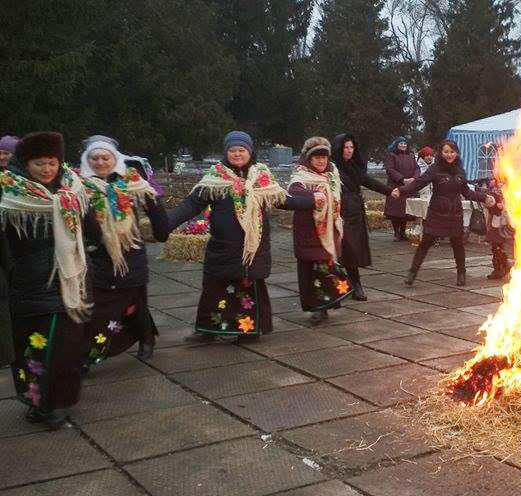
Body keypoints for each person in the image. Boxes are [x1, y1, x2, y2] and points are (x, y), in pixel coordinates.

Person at [162, 131, 316, 340]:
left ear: (249, 152)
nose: (237, 154)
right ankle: (208, 331)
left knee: (248, 288)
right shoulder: (215, 178)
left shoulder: (261, 178)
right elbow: (191, 205)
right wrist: (166, 223)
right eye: (232, 150)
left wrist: (313, 201)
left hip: (251, 249)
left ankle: (249, 329)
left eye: (241, 150)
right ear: (226, 153)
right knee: (214, 289)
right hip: (223, 246)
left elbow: (284, 200)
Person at [0, 132, 92, 428]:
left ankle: (52, 403)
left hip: (68, 285)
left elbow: (91, 226)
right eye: (39, 163)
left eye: (52, 162)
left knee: (64, 349)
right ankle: (40, 402)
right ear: (25, 163)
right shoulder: (9, 196)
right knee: (33, 348)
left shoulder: (72, 191)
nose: (47, 169)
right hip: (28, 285)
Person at [80, 135, 168, 366]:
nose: (100, 162)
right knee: (101, 306)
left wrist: (162, 230)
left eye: (105, 157)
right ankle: (91, 352)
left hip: (131, 252)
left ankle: (145, 338)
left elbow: (153, 203)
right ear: (87, 161)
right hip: (99, 255)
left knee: (135, 301)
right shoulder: (79, 187)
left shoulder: (132, 181)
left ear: (115, 158)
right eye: (95, 158)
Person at [393, 140, 494, 287]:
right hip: (437, 213)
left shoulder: (460, 170)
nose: (449, 155)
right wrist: (401, 190)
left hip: (455, 213)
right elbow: (419, 182)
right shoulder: (435, 168)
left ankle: (461, 274)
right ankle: (412, 273)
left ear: (457, 153)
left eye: (452, 152)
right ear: (441, 153)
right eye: (446, 152)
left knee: (457, 244)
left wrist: (484, 197)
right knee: (425, 243)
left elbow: (466, 191)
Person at [288, 137, 354, 325]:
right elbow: (294, 194)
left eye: (324, 157)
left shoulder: (333, 175)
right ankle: (315, 308)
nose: (321, 161)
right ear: (308, 158)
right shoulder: (301, 176)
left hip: (329, 230)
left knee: (326, 268)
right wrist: (314, 197)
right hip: (308, 231)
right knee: (310, 272)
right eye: (316, 157)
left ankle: (326, 304)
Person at [332, 134, 393, 301]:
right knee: (339, 252)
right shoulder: (332, 168)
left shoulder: (354, 166)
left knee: (352, 251)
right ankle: (343, 286)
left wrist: (389, 191)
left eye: (351, 147)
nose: (349, 150)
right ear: (339, 148)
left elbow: (368, 181)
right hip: (337, 214)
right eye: (345, 147)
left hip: (355, 214)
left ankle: (354, 285)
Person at [383, 136, 420, 242]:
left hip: (408, 188)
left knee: (405, 212)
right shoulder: (392, 155)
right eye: (401, 143)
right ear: (397, 145)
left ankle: (403, 233)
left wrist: (414, 178)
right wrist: (402, 179)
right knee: (395, 212)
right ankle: (396, 233)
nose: (403, 145)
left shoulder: (411, 155)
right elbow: (390, 169)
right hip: (396, 187)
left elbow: (417, 168)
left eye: (405, 143)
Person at [481, 176, 513, 280]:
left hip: (512, 219)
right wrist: (493, 204)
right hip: (497, 220)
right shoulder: (494, 185)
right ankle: (500, 268)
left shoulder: (517, 180)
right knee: (496, 245)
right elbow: (489, 200)